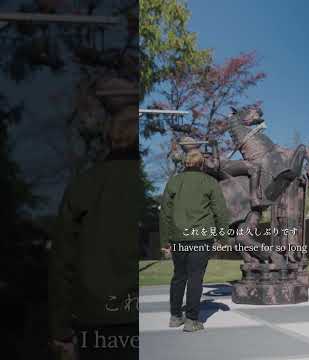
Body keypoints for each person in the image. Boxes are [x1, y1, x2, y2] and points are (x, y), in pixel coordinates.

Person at [49, 106, 143, 359]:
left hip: (95, 320)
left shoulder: (84, 184)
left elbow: (62, 260)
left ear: (109, 138)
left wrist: (60, 329)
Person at [160, 149, 230, 332]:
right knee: (195, 278)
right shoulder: (210, 182)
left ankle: (175, 316)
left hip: (178, 238)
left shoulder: (174, 182)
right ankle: (192, 320)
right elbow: (220, 212)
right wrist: (223, 238)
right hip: (201, 237)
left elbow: (165, 213)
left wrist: (165, 241)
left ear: (185, 163)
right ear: (201, 164)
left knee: (179, 276)